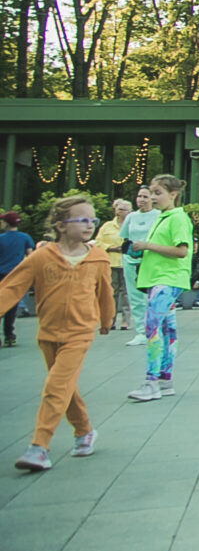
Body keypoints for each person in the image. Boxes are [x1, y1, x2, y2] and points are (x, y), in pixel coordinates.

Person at [4, 195, 113, 471]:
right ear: (61, 226)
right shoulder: (42, 257)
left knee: (55, 387)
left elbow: (105, 292)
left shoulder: (98, 257)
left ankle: (39, 447)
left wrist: (106, 319)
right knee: (65, 387)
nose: (89, 225)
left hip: (80, 333)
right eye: (82, 219)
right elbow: (11, 287)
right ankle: (84, 431)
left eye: (93, 220)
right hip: (48, 334)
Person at [126, 174, 193, 401]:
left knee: (152, 328)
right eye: (152, 193)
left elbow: (181, 251)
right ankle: (164, 380)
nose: (153, 198)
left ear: (173, 195)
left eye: (157, 193)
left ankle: (151, 382)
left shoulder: (177, 218)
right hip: (160, 279)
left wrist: (147, 245)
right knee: (166, 330)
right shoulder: (164, 217)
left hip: (167, 279)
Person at [119, 187, 160, 345]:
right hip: (131, 260)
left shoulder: (158, 215)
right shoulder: (131, 217)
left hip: (150, 259)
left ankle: (154, 329)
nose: (141, 199)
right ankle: (141, 331)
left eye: (145, 196)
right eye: (139, 196)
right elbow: (125, 237)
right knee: (135, 296)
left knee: (151, 295)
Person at [97, 199, 134, 331]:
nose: (122, 212)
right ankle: (110, 320)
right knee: (111, 293)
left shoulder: (133, 226)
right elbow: (98, 242)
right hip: (111, 263)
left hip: (128, 262)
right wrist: (111, 248)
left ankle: (125, 321)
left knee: (126, 293)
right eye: (120, 209)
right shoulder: (107, 226)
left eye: (125, 210)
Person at [0, 211, 31, 347]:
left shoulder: (1, 238)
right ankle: (9, 334)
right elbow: (30, 257)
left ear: (6, 223)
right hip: (16, 275)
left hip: (1, 274)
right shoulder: (25, 237)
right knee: (12, 304)